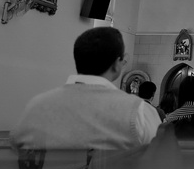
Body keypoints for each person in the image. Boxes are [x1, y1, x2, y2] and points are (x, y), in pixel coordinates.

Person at [11, 27, 160, 150]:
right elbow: (159, 160)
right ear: (116, 64)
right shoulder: (139, 111)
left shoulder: (36, 105)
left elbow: (16, 149)